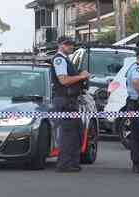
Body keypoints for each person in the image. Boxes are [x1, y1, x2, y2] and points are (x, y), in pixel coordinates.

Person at [51, 36, 90, 172]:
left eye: (72, 44)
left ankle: (72, 163)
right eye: (67, 44)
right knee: (68, 134)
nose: (71, 46)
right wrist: (81, 76)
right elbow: (63, 80)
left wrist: (80, 77)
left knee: (75, 133)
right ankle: (65, 164)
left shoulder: (66, 60)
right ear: (60, 45)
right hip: (64, 100)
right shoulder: (59, 59)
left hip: (70, 100)